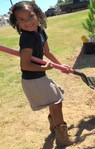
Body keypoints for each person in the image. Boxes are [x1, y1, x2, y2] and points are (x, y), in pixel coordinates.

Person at [9, 1, 76, 147]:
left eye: (30, 16)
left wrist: (61, 66)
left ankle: (54, 126)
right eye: (21, 19)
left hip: (39, 76)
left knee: (56, 99)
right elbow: (25, 65)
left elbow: (47, 52)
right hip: (32, 79)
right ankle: (62, 137)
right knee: (57, 102)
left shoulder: (40, 31)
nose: (27, 22)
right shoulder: (26, 38)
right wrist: (44, 68)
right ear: (17, 23)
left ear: (38, 15)